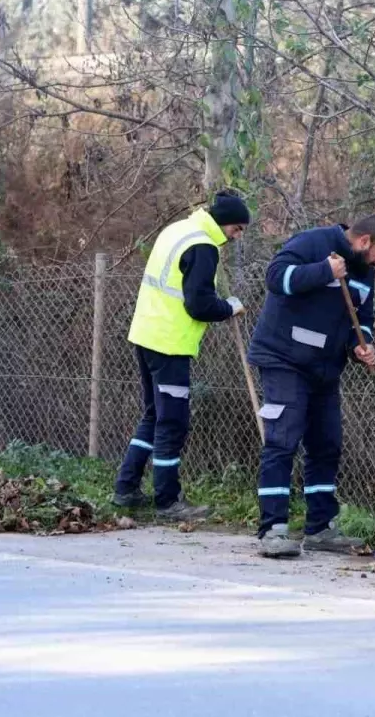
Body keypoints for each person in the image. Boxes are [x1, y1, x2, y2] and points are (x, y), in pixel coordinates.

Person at [247, 214, 375, 557]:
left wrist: (361, 345)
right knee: (283, 439)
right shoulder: (312, 243)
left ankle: (320, 527)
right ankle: (273, 529)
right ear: (364, 241)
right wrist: (323, 272)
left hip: (326, 367)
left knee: (327, 443)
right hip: (283, 358)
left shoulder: (365, 272)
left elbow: (363, 319)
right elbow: (276, 278)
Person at [112, 190, 252, 520]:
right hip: (170, 343)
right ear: (225, 222)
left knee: (153, 416)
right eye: (238, 228)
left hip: (146, 335)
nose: (238, 235)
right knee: (172, 422)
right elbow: (199, 304)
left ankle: (126, 488)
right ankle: (168, 501)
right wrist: (228, 308)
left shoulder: (177, 229)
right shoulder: (203, 246)